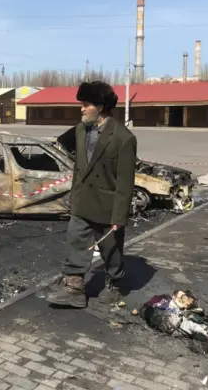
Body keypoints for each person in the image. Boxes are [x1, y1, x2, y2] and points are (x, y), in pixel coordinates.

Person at [46, 81, 137, 308]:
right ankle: (74, 287)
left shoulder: (123, 138)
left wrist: (119, 216)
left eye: (86, 105)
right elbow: (79, 167)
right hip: (82, 202)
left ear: (101, 106)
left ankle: (116, 283)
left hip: (107, 206)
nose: (82, 109)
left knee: (111, 251)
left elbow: (126, 182)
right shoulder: (80, 130)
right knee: (75, 242)